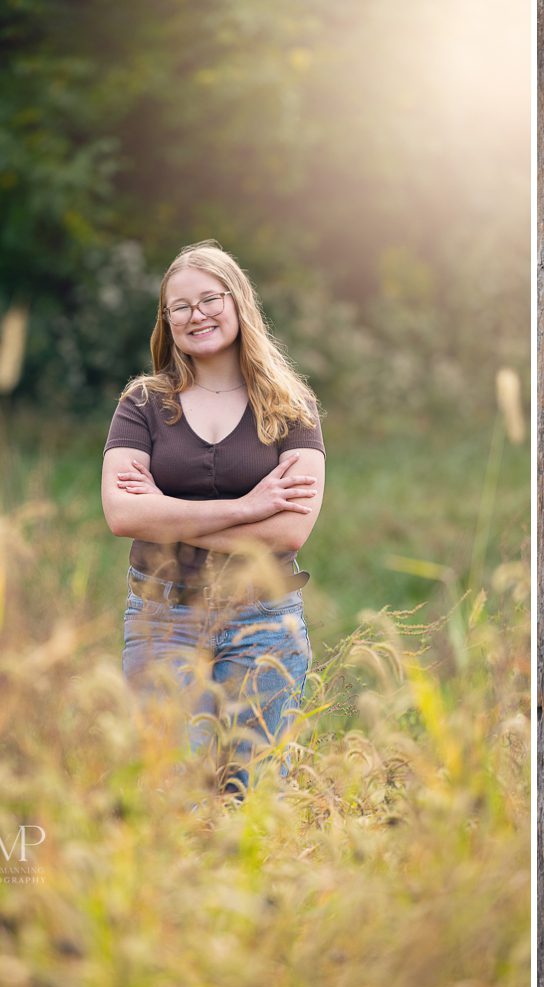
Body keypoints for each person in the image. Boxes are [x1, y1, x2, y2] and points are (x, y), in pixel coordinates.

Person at [100, 240, 325, 798]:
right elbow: (122, 513)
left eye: (209, 299)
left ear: (238, 302)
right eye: (180, 306)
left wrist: (167, 516)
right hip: (163, 617)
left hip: (265, 621)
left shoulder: (289, 406)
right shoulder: (144, 404)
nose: (196, 314)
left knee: (254, 798)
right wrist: (249, 506)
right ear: (167, 320)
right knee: (171, 793)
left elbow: (291, 530)